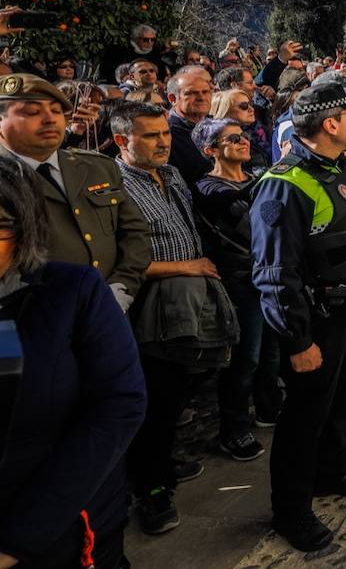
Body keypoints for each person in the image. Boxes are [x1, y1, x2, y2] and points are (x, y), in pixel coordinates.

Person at [250, 80, 346, 553]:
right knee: (304, 415)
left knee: (339, 399)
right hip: (317, 317)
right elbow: (275, 274)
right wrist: (297, 340)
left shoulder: (342, 166)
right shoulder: (283, 185)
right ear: (330, 124)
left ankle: (333, 470)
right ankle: (292, 509)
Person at [0, 155, 147, 568]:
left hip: (63, 527)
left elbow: (118, 405)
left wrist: (18, 540)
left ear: (25, 228)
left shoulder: (68, 292)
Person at [113, 102, 238, 536]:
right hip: (149, 304)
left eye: (165, 133)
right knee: (154, 397)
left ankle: (162, 461)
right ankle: (151, 489)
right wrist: (183, 267)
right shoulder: (114, 186)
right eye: (150, 136)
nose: (163, 142)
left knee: (176, 392)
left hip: (189, 298)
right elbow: (114, 261)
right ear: (122, 140)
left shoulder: (171, 175)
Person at [0, 73, 151, 311]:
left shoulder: (97, 167)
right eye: (32, 112)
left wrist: (120, 288)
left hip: (110, 311)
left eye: (57, 111)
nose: (50, 119)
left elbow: (135, 234)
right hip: (30, 317)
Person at [192, 117, 268, 462]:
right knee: (244, 358)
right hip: (239, 281)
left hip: (268, 277)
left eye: (244, 136)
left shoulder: (254, 178)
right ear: (211, 150)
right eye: (233, 138)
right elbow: (245, 217)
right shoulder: (208, 188)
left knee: (271, 353)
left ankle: (268, 408)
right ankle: (233, 430)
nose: (243, 141)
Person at [166, 66, 215, 185]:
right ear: (173, 99)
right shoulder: (166, 134)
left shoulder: (215, 125)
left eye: (205, 92)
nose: (201, 97)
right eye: (192, 93)